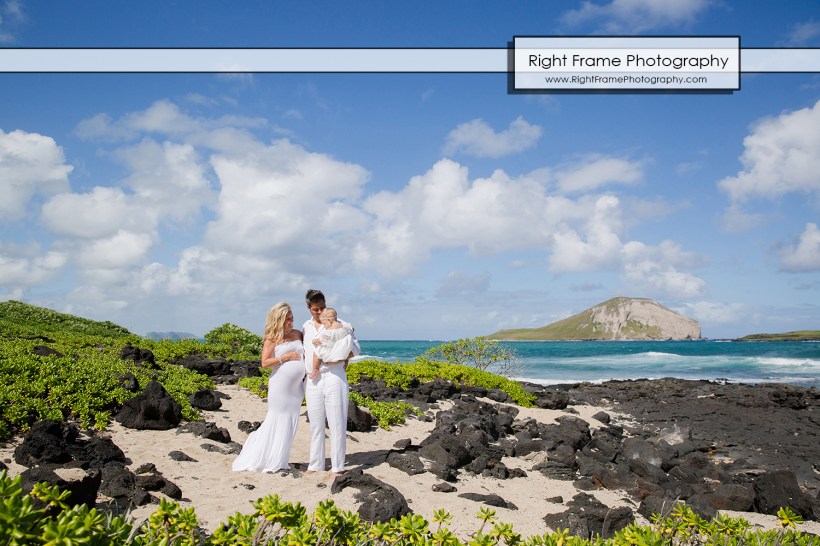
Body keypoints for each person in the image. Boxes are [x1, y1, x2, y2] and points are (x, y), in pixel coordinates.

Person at [232, 302, 305, 473]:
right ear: (278, 319)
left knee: (290, 421)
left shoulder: (298, 334)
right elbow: (265, 363)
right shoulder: (272, 337)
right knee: (276, 419)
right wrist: (285, 357)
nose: (291, 322)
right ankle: (266, 458)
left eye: (292, 318)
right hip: (281, 387)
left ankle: (281, 458)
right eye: (288, 319)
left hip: (296, 389)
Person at [302, 289, 360, 476]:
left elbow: (356, 348)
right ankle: (316, 463)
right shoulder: (306, 327)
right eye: (315, 309)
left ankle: (338, 466)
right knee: (316, 423)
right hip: (313, 379)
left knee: (337, 422)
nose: (319, 313)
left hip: (335, 376)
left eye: (322, 308)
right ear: (309, 308)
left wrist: (340, 357)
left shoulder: (342, 324)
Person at [308, 308, 354, 380]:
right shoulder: (344, 326)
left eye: (324, 324)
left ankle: (315, 369)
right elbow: (351, 328)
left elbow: (323, 340)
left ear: (329, 320)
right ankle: (344, 367)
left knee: (316, 353)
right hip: (342, 350)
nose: (324, 326)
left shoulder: (330, 330)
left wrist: (314, 341)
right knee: (345, 358)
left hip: (330, 351)